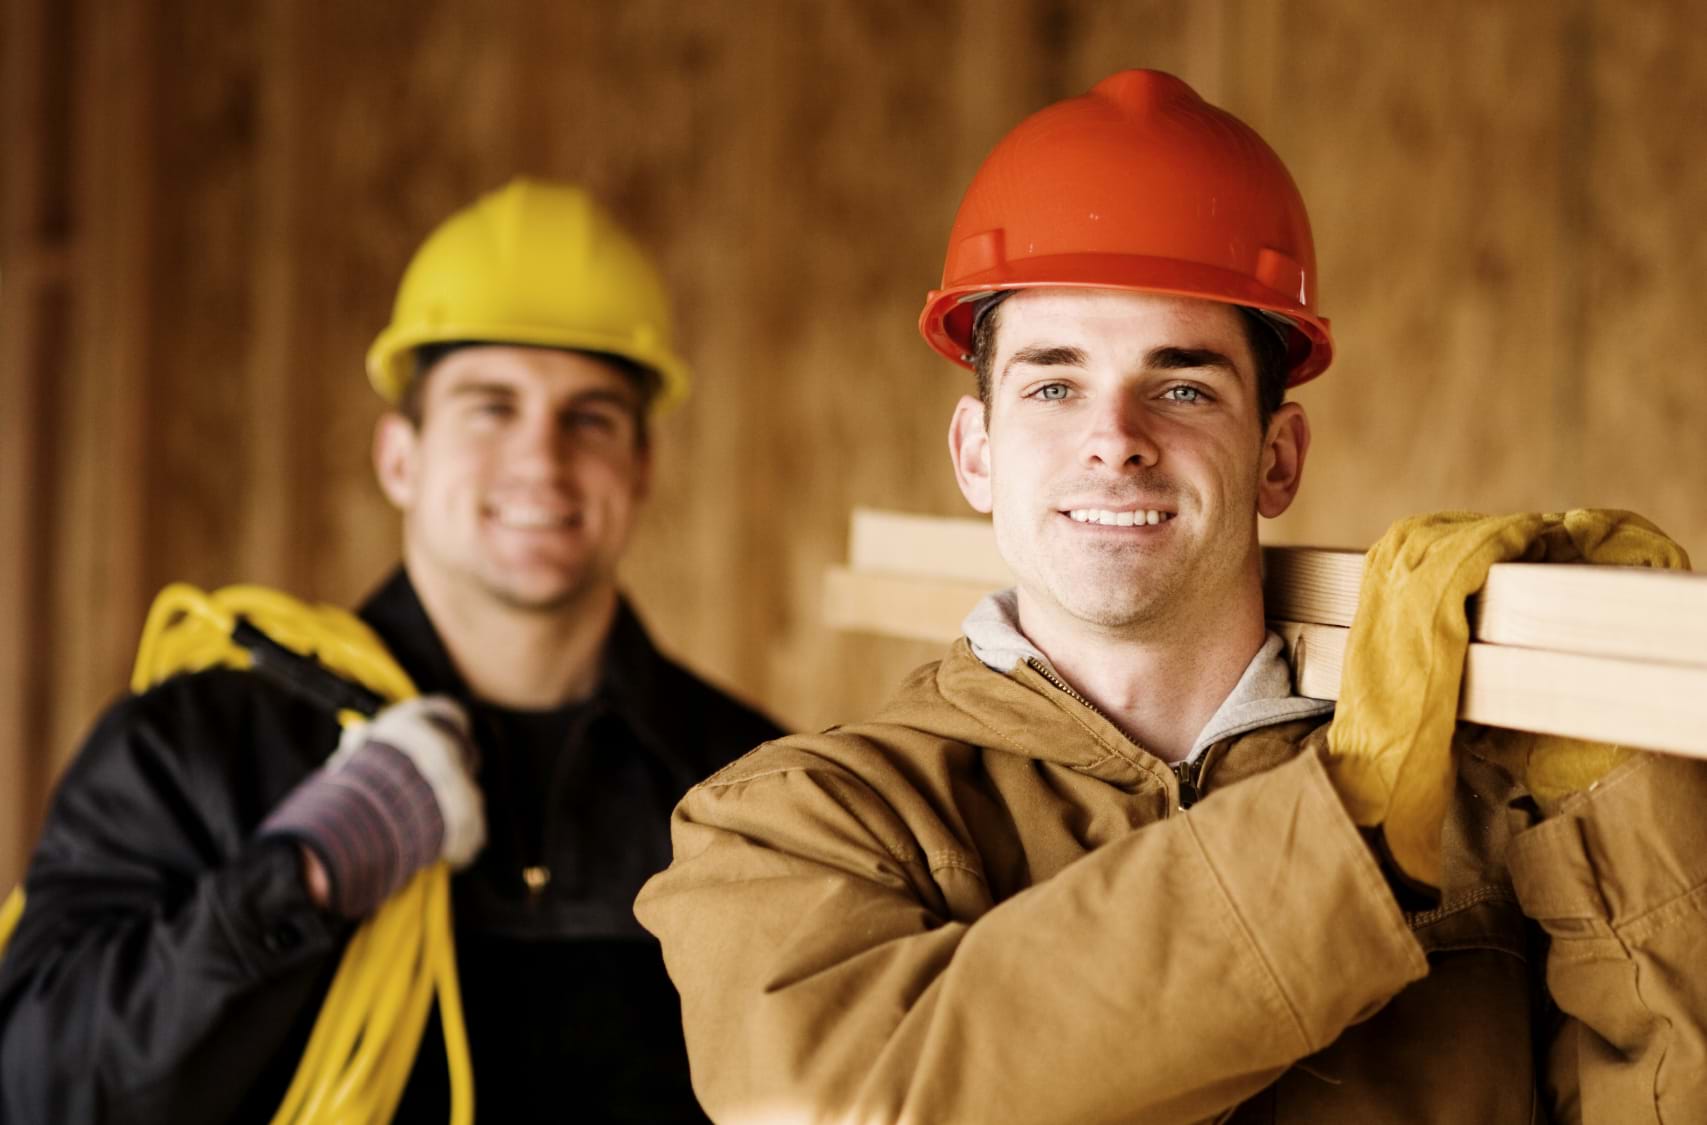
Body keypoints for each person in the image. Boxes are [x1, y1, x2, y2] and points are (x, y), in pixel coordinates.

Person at [634, 71, 1707, 1123]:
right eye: (1054, 385)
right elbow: (852, 1106)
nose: (1116, 439)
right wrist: (1350, 822)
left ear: (1278, 459)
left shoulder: (1490, 809)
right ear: (976, 453)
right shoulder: (795, 827)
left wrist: (1621, 805)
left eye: (1182, 385)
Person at [0, 178, 781, 1123]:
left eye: (589, 416)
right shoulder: (197, 746)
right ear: (398, 458)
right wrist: (307, 869)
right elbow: (43, 1091)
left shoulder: (752, 787)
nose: (541, 459)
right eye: (490, 407)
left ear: (642, 467)